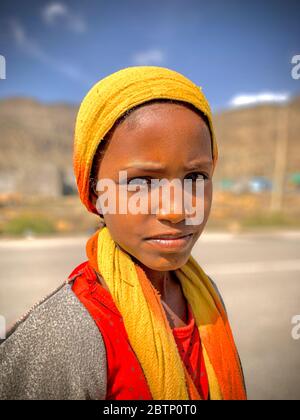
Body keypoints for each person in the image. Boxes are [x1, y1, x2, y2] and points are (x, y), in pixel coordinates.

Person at [0, 66, 247, 400]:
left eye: (195, 177)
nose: (177, 209)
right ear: (95, 192)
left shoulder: (204, 295)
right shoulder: (67, 334)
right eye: (141, 182)